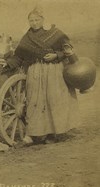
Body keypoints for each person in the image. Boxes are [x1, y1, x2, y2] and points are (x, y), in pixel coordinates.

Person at [6, 7, 79, 144]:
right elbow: (19, 56)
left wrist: (56, 55)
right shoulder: (27, 38)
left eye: (37, 20)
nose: (34, 23)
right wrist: (6, 64)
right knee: (35, 101)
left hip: (54, 71)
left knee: (53, 101)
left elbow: (67, 50)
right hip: (35, 71)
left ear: (43, 20)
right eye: (31, 20)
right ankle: (33, 134)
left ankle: (53, 134)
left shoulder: (55, 33)